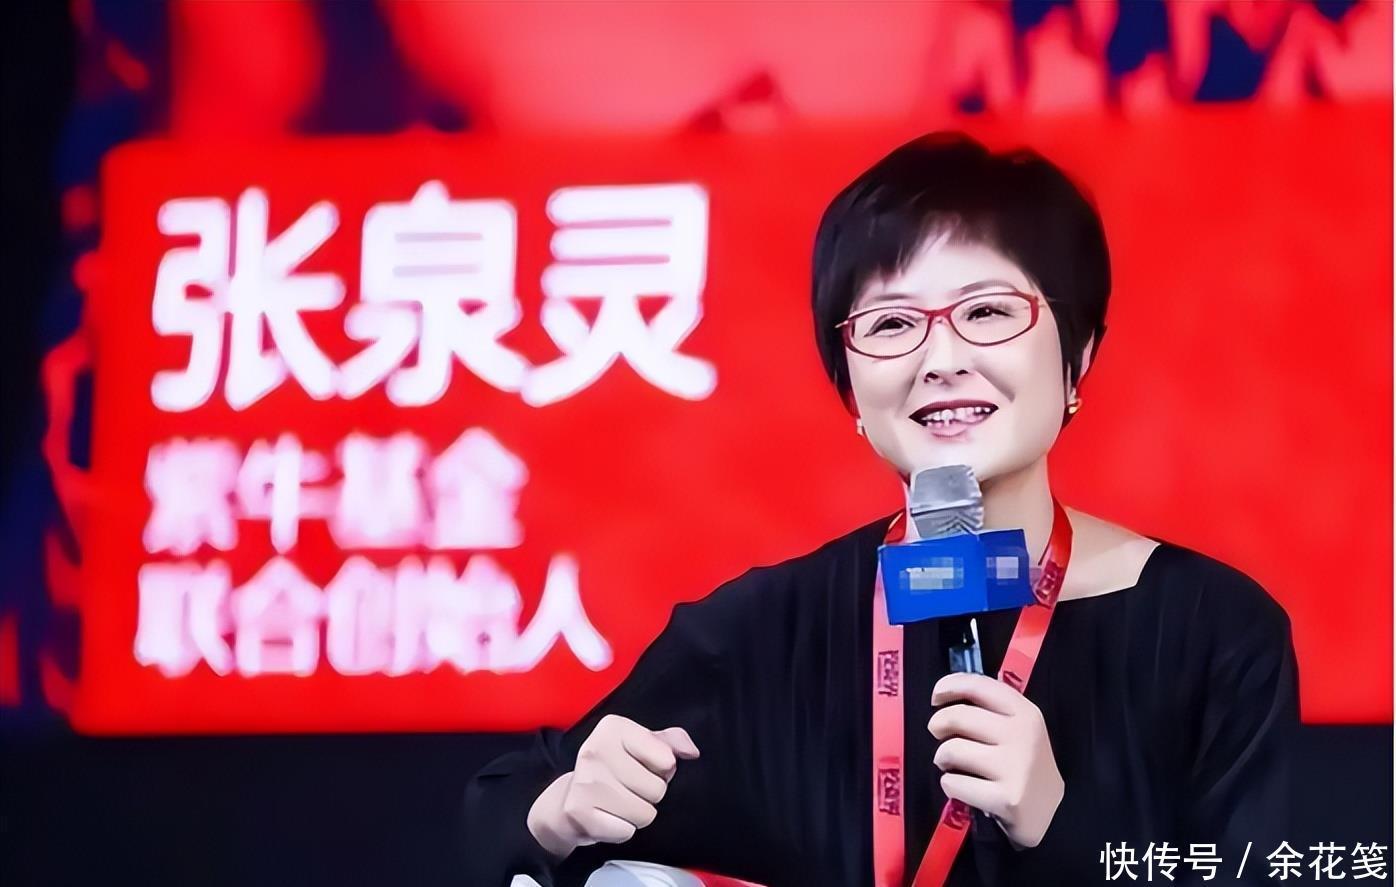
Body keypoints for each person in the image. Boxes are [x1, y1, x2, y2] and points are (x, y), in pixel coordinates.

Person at [462, 133, 1300, 887]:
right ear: (852, 387)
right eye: (893, 324)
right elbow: (500, 805)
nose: (941, 358)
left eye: (987, 312)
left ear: (1078, 353)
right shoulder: (764, 630)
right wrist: (559, 812)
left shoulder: (1216, 632)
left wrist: (1061, 824)